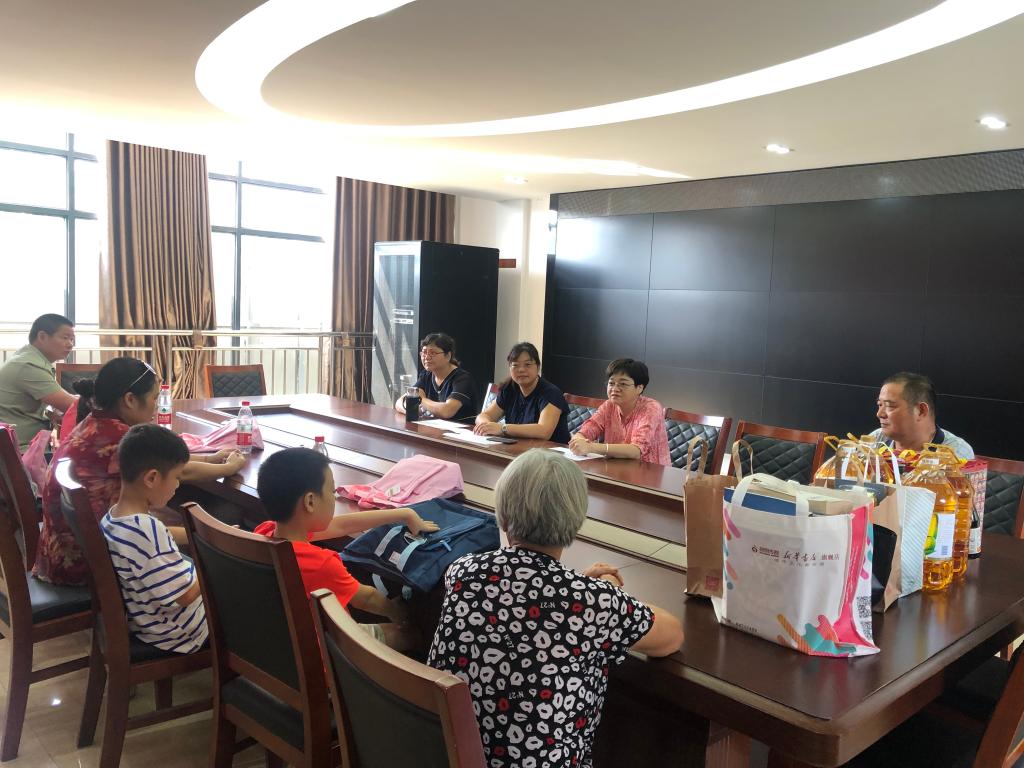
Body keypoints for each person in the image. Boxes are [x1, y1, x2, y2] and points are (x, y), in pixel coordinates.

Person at [428, 450, 684, 767]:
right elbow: (672, 636)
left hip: (448, 756)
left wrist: (584, 591)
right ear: (575, 523)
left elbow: (523, 598)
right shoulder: (593, 604)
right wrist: (605, 592)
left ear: (503, 518)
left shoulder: (462, 571)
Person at [35, 357, 247, 586]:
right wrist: (229, 468)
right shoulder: (116, 437)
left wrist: (210, 458)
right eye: (155, 398)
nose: (157, 405)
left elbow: (163, 460)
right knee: (220, 515)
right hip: (87, 566)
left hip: (62, 553)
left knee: (182, 512)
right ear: (130, 400)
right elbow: (180, 471)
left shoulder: (96, 424)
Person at [254, 447, 440, 648]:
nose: (334, 497)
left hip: (285, 642)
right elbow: (367, 599)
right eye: (332, 491)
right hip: (326, 650)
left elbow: (341, 526)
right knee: (412, 636)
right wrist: (397, 612)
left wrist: (404, 514)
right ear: (310, 501)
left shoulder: (264, 532)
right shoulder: (321, 564)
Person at [100, 424, 208, 653]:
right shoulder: (145, 530)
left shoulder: (114, 518)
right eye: (176, 477)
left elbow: (163, 534)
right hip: (179, 633)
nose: (177, 485)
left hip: (148, 624)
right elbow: (186, 595)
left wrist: (207, 534)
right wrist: (213, 562)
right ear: (151, 478)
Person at [568, 358, 671, 465]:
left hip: (650, 471)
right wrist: (578, 440)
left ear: (639, 388)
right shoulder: (609, 405)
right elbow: (588, 429)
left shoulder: (651, 408)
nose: (615, 388)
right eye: (611, 383)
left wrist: (591, 447)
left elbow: (636, 451)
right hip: (615, 468)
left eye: (623, 384)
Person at [0, 313, 77, 449]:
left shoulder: (28, 357)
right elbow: (72, 405)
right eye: (65, 338)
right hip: (20, 450)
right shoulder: (28, 365)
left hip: (23, 445)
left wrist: (49, 412)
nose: (70, 344)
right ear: (42, 336)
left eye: (72, 339)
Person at [473, 342, 571, 443]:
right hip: (516, 447)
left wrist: (503, 428)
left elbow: (544, 431)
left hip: (549, 451)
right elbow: (483, 416)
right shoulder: (509, 388)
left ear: (538, 367)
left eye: (527, 364)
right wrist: (486, 426)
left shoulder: (551, 393)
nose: (521, 370)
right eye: (515, 365)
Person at [870, 372, 974, 458]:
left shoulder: (955, 453)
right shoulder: (876, 439)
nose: (879, 414)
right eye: (880, 405)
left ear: (921, 411)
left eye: (889, 406)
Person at [395, 332, 478, 421]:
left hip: (459, 428)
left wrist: (420, 400)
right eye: (424, 352)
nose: (427, 357)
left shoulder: (462, 379)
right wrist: (413, 411)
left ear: (448, 356)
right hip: (431, 427)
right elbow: (399, 402)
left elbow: (447, 411)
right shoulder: (426, 375)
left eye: (433, 353)